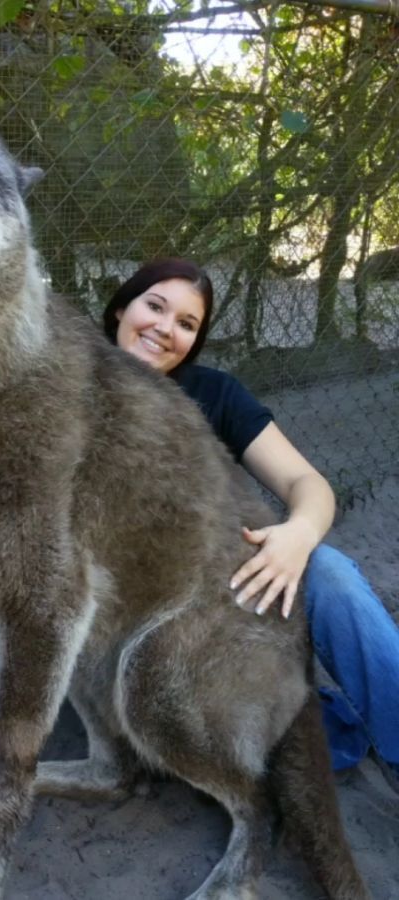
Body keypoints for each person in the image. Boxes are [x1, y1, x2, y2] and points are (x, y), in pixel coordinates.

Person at [102, 257, 399, 786]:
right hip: (133, 626)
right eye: (155, 306)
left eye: (187, 324)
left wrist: (298, 535)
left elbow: (308, 486)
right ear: (122, 306)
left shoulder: (213, 394)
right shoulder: (66, 392)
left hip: (226, 593)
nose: (165, 329)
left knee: (326, 570)